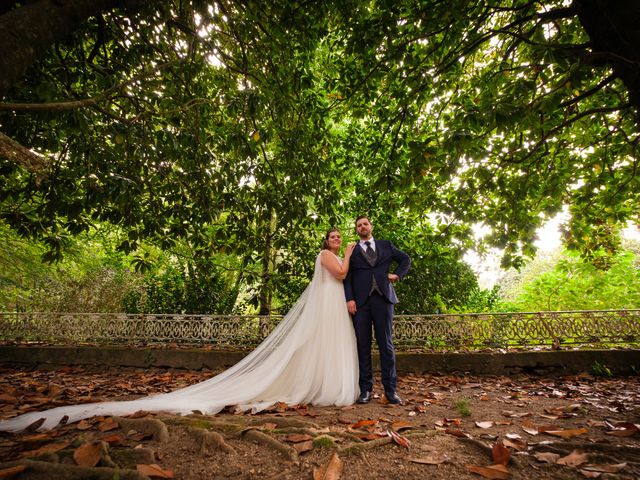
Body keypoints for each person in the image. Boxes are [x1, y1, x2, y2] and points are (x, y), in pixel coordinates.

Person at [0, 230, 358, 432]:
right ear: (327, 242)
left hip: (334, 307)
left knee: (327, 347)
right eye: (334, 237)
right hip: (326, 304)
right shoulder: (328, 257)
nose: (337, 240)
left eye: (339, 238)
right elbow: (341, 273)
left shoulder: (336, 253)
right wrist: (352, 252)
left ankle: (326, 386)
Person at [344, 216, 411, 405]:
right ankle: (365, 390)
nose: (362, 226)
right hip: (361, 304)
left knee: (386, 345)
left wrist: (397, 275)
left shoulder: (386, 245)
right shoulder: (353, 250)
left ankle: (391, 390)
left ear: (370, 226)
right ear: (356, 230)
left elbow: (405, 259)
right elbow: (347, 277)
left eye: (365, 224)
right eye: (359, 225)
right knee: (362, 346)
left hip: (383, 300)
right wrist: (349, 298)